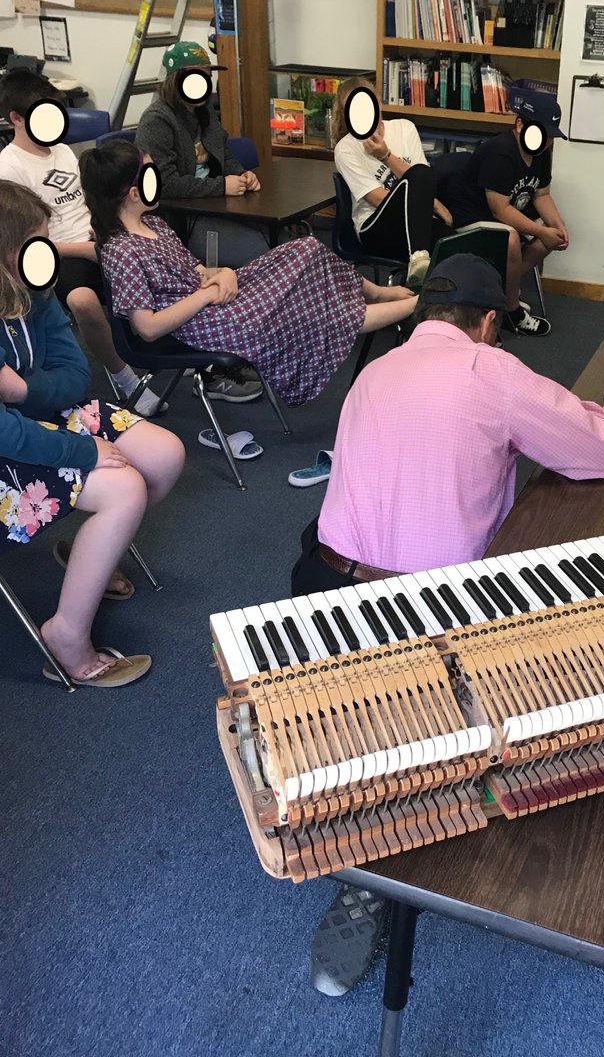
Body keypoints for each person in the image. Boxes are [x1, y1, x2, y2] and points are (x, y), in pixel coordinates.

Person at [292, 251, 604, 998]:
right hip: (422, 619)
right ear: (486, 324)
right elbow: (603, 455)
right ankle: (374, 874)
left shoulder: (375, 370)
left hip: (319, 592)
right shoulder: (490, 370)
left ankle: (388, 799)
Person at [0, 180, 184, 687]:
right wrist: (81, 450)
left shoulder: (32, 290)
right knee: (125, 487)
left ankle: (94, 555)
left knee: (165, 455)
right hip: (10, 448)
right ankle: (66, 636)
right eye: (34, 243)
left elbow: (77, 374)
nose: (47, 252)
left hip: (41, 415)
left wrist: (21, 392)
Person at [80, 141, 417, 410]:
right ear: (134, 193)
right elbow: (147, 328)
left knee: (305, 248)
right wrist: (207, 294)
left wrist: (222, 273)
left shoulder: (153, 224)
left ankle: (376, 291)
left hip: (213, 299)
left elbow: (195, 269)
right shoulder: (122, 250)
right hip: (202, 320)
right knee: (312, 313)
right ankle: (418, 303)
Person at [0, 69, 166, 416]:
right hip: (55, 253)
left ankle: (196, 351)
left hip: (95, 237)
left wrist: (108, 231)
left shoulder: (61, 150)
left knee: (161, 263)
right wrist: (86, 250)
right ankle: (125, 379)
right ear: (16, 118)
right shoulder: (9, 167)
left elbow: (85, 202)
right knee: (83, 300)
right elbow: (22, 245)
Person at [441, 89, 571, 337]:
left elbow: (541, 194)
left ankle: (498, 293)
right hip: (469, 217)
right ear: (521, 125)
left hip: (500, 217)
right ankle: (512, 312)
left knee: (549, 237)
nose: (546, 142)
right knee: (511, 237)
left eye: (550, 137)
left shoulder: (541, 154)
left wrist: (558, 227)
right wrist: (542, 230)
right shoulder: (500, 152)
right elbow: (499, 209)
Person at [135, 41, 268, 267]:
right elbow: (164, 184)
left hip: (217, 206)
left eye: (207, 76)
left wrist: (242, 173)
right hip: (183, 221)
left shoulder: (204, 111)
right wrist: (222, 186)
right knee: (261, 250)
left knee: (274, 236)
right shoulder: (156, 121)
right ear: (176, 80)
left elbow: (223, 153)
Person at [333, 76, 453, 285]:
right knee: (419, 175)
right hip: (374, 227)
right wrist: (430, 204)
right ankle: (418, 259)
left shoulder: (404, 128)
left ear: (378, 103)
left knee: (453, 248)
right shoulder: (346, 147)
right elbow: (376, 198)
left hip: (416, 222)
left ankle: (426, 297)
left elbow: (422, 180)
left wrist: (386, 154)